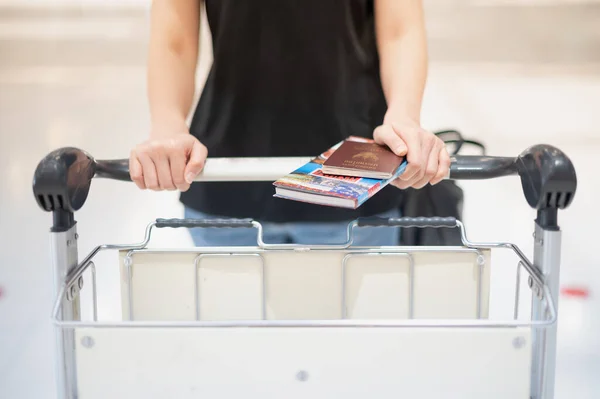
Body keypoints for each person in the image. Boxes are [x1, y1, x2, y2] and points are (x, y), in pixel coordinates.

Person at [129, 0, 450, 246]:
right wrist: (167, 124)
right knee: (233, 331)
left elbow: (400, 30)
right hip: (226, 178)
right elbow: (175, 39)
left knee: (345, 334)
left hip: (356, 175)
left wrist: (404, 117)